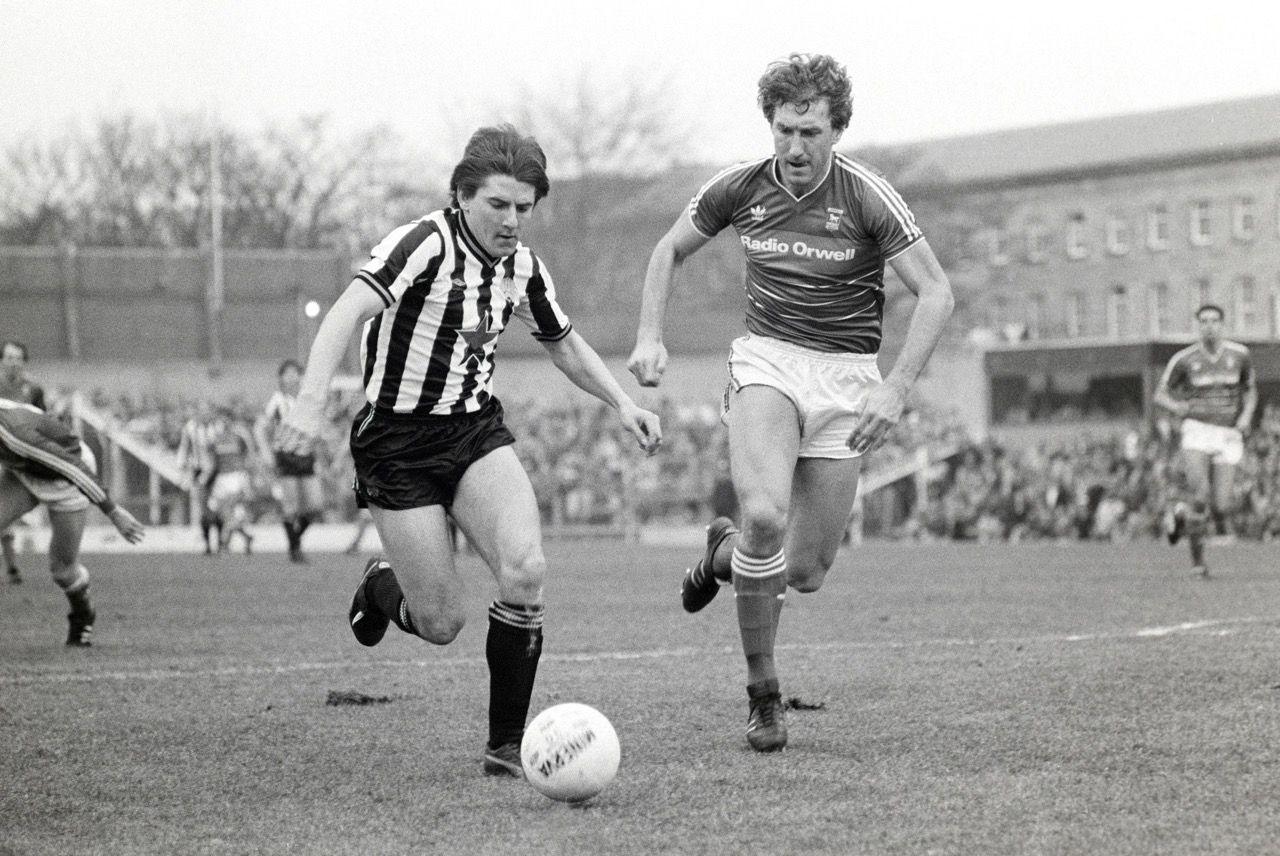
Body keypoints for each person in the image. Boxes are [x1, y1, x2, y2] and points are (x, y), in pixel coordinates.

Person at [278, 125, 662, 777]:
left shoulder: (523, 268)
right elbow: (343, 314)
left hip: (474, 431)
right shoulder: (422, 244)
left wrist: (622, 402)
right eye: (497, 205)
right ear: (462, 197)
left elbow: (562, 342)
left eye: (523, 208)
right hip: (396, 443)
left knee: (526, 569)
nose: (512, 221)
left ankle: (505, 748)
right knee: (441, 622)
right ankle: (381, 589)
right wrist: (310, 407)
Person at [628, 53, 953, 752]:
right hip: (767, 362)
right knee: (767, 515)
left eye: (811, 131)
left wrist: (895, 387)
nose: (796, 147)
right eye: (784, 129)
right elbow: (668, 250)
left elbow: (937, 292)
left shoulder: (868, 196)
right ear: (769, 125)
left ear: (837, 129)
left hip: (846, 379)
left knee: (802, 572)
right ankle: (763, 695)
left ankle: (723, 554)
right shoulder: (740, 188)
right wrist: (650, 335)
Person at [0, 397, 145, 645]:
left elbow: (73, 468)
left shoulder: (16, 434)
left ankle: (83, 613)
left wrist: (113, 512)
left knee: (62, 570)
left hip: (67, 478)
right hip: (24, 471)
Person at [1153, 303, 1256, 577]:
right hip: (1197, 430)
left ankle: (1179, 516)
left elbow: (1250, 391)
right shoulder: (1184, 360)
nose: (1209, 325)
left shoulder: (1240, 355)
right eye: (1204, 321)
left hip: (1227, 433)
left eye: (1214, 320)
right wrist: (1176, 408)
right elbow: (1159, 394)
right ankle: (1198, 563)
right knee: (1200, 497)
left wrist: (1246, 417)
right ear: (1198, 326)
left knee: (1221, 505)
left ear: (1222, 324)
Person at [256, 359, 325, 562]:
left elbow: (315, 431)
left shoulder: (307, 401)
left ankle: (294, 541)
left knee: (315, 507)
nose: (292, 377)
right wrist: (267, 453)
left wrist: (318, 454)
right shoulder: (277, 400)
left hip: (306, 457)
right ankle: (295, 549)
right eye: (288, 373)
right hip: (286, 457)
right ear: (281, 378)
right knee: (291, 507)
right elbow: (261, 427)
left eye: (295, 373)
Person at [1, 340, 48, 583]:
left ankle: (12, 568)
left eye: (17, 358)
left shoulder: (33, 389)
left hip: (21, 458)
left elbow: (42, 421)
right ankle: (11, 569)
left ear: (24, 361)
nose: (13, 362)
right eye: (8, 357)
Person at [176, 401, 219, 554]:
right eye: (202, 411)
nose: (205, 415)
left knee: (218, 506)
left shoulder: (217, 427)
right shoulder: (190, 427)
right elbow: (184, 446)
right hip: (199, 470)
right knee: (203, 506)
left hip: (217, 471)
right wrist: (182, 466)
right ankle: (208, 542)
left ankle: (220, 540)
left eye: (208, 411)